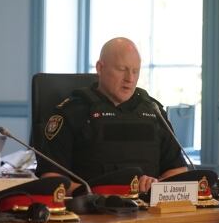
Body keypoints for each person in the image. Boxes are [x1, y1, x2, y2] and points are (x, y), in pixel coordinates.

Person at [37, 37, 187, 193]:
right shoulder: (72, 112)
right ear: (100, 68)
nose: (130, 78)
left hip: (148, 211)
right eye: (122, 69)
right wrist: (91, 193)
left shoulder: (153, 111)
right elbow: (51, 177)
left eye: (135, 71)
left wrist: (155, 188)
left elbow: (178, 170)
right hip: (92, 210)